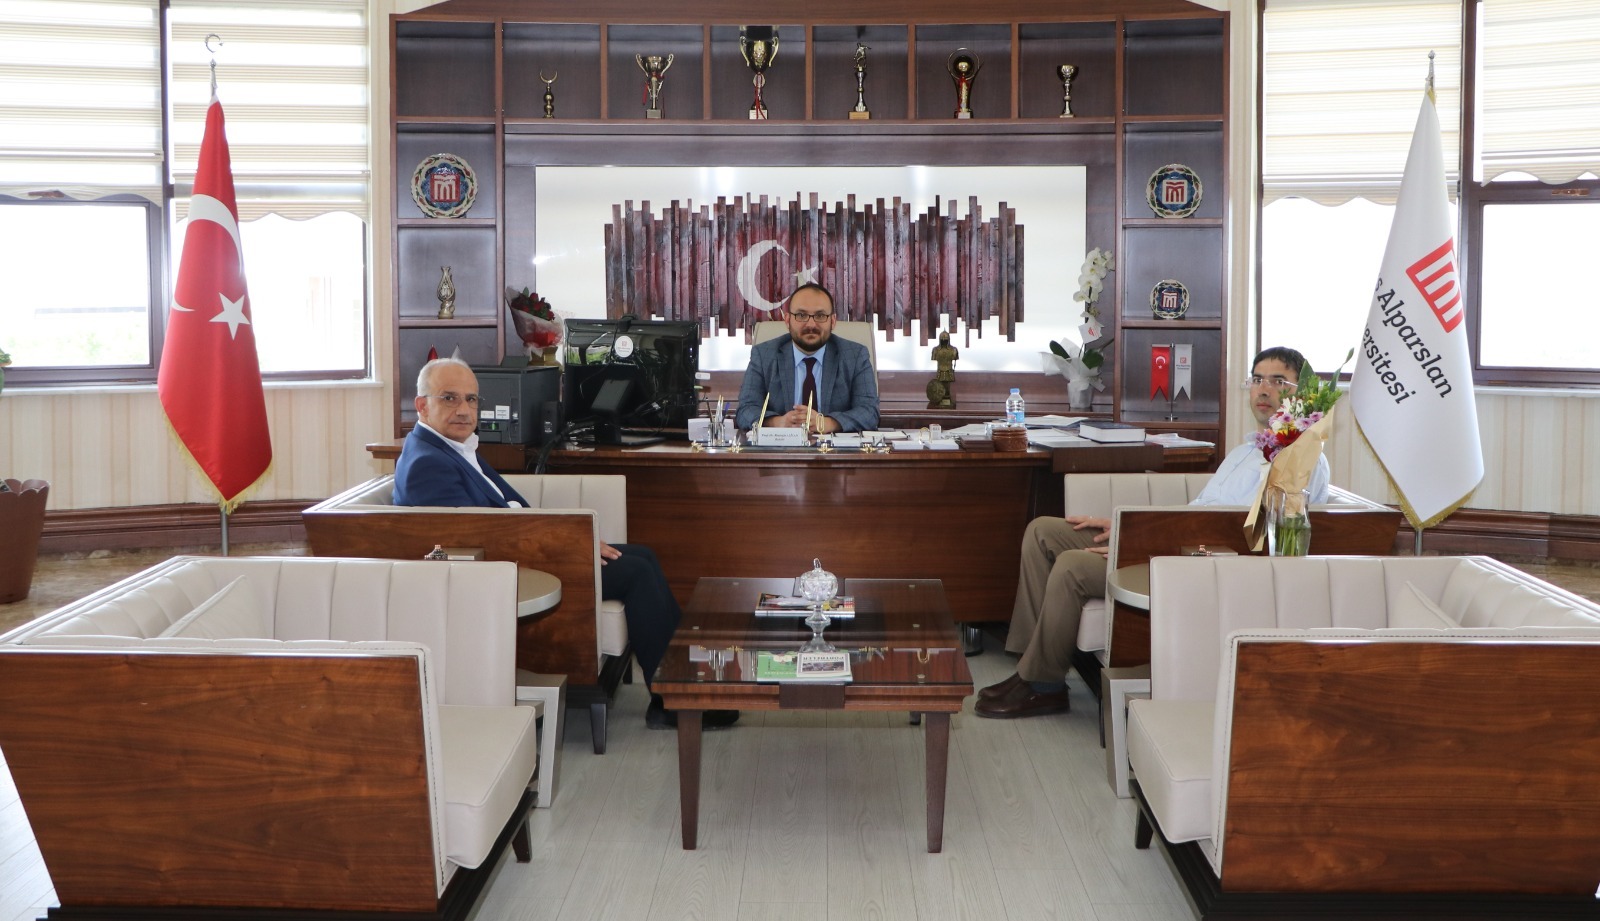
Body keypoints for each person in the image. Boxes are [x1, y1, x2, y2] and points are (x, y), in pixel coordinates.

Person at [976, 346, 1331, 719]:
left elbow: (1247, 539)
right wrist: (1126, 529)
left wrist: (1137, 545)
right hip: (1178, 543)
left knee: (1071, 566)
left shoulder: (1301, 460)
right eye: (1257, 379)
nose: (1264, 389)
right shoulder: (1246, 450)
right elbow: (1197, 514)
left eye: (1278, 381)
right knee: (1042, 532)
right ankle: (1028, 663)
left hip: (1199, 564)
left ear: (1301, 394)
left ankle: (1042, 686)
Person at [395, 357, 736, 731]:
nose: (464, 409)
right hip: (509, 572)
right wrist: (572, 548)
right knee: (636, 571)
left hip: (523, 554)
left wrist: (576, 541)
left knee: (643, 555)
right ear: (422, 405)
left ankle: (682, 685)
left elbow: (507, 515)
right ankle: (672, 702)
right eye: (449, 398)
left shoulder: (453, 447)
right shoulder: (429, 463)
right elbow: (478, 541)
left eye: (471, 399)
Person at [735, 283, 879, 433]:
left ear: (833, 321)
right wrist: (778, 423)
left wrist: (826, 423)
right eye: (801, 315)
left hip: (832, 447)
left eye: (820, 316)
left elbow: (869, 413)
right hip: (782, 447)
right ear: (787, 320)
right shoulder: (764, 355)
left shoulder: (855, 356)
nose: (811, 324)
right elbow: (745, 410)